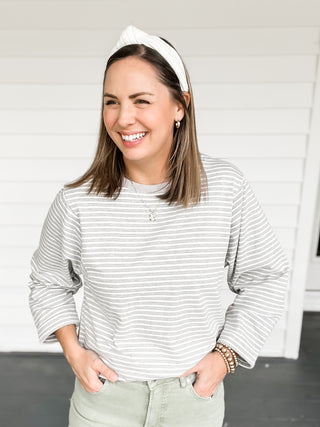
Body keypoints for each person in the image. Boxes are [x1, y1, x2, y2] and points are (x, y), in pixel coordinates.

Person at [28, 25, 290, 427]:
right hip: (104, 402)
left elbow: (266, 277)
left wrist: (226, 357)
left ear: (180, 105)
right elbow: (48, 282)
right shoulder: (77, 201)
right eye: (111, 101)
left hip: (192, 401)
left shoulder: (224, 188)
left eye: (141, 101)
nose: (123, 117)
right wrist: (75, 354)